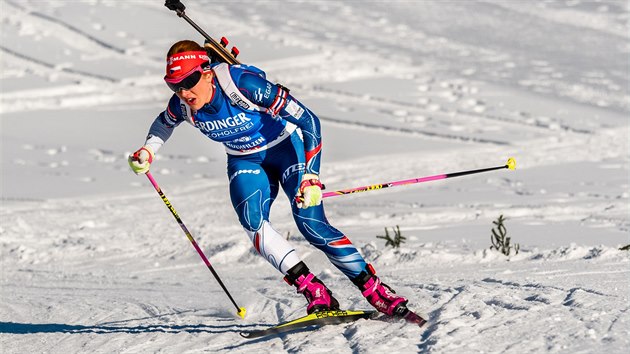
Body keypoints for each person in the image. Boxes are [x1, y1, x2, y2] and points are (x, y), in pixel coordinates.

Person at [128, 40, 411, 317]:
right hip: (244, 158)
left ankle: (373, 289)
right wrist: (148, 150)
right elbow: (162, 123)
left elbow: (309, 120)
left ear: (207, 71)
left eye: (188, 81)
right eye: (173, 85)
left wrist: (312, 177)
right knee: (253, 223)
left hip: (285, 149)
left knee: (311, 224)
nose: (183, 92)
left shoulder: (242, 85)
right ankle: (313, 290)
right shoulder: (183, 106)